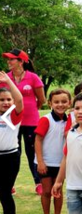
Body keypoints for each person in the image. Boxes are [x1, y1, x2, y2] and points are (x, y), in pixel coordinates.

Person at [2, 48, 46, 195]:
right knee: (13, 153)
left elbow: (42, 100)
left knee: (31, 152)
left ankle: (38, 182)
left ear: (20, 61)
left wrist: (31, 110)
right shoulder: (5, 78)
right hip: (11, 122)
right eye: (8, 59)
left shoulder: (33, 77)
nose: (8, 61)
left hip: (31, 122)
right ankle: (9, 184)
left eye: (11, 59)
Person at [34, 88, 71, 214]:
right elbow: (38, 140)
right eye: (56, 102)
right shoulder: (46, 119)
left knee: (58, 191)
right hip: (46, 163)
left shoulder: (71, 121)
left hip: (61, 163)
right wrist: (41, 161)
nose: (60, 104)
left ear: (69, 102)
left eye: (64, 101)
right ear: (50, 103)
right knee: (47, 191)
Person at [0, 72, 24, 214]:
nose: (6, 102)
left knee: (4, 191)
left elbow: (20, 100)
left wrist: (8, 80)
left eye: (8, 99)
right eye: (2, 100)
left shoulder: (13, 116)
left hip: (10, 157)